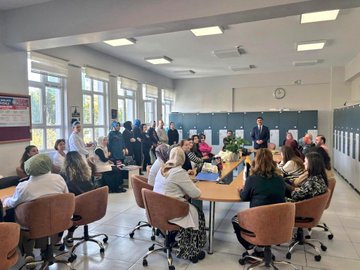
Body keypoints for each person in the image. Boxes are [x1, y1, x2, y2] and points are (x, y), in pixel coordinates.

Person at [2, 154, 68, 261]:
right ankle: (46, 250)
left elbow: (13, 203)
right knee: (43, 217)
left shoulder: (24, 187)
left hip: (32, 224)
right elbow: (66, 197)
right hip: (58, 220)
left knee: (13, 215)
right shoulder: (59, 179)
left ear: (28, 168)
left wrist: (5, 200)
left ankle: (28, 253)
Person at [153, 147, 206, 261]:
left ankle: (172, 239)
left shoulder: (162, 169)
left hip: (157, 210)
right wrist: (193, 185)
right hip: (172, 211)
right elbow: (195, 194)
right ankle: (192, 251)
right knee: (197, 213)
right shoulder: (178, 172)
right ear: (182, 158)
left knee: (190, 209)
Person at [232, 148, 286, 257]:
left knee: (235, 219)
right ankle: (261, 246)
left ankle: (251, 250)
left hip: (258, 222)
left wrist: (240, 190)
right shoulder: (280, 179)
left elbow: (244, 197)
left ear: (256, 161)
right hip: (279, 222)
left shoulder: (252, 179)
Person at [60, 151, 94, 247]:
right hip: (91, 204)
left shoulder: (63, 174)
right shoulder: (87, 171)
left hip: (74, 206)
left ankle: (64, 238)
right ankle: (69, 235)